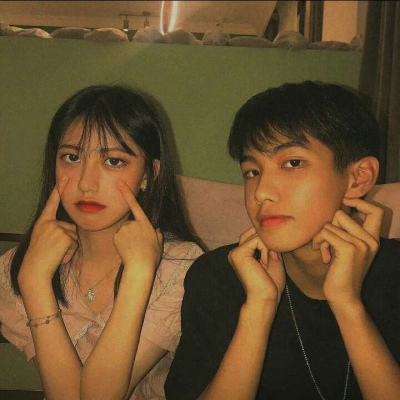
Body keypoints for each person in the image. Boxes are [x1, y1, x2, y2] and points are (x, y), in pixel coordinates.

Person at [165, 81, 400, 399]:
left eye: (293, 163)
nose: (261, 192)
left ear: (359, 177)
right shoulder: (220, 276)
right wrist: (259, 308)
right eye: (252, 171)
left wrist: (347, 303)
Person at [0, 84, 203, 400]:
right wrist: (34, 281)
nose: (86, 183)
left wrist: (138, 273)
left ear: (149, 174)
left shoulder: (181, 266)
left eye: (114, 161)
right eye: (72, 157)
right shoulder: (17, 267)